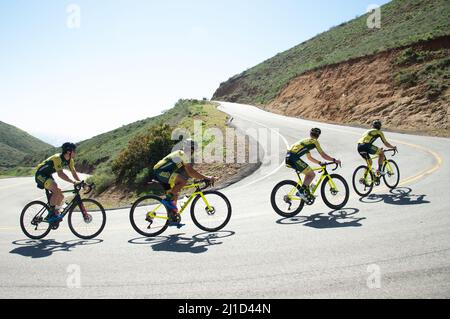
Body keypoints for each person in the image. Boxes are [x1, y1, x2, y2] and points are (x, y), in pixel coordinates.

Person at [153, 139, 215, 222]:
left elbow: (189, 173)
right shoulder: (182, 154)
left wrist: (201, 178)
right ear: (190, 148)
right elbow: (191, 172)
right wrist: (206, 177)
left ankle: (173, 218)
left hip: (164, 172)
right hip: (160, 171)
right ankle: (167, 201)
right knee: (182, 181)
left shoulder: (182, 155)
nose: (193, 153)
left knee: (175, 194)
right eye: (193, 150)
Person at [286, 128, 342, 201]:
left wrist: (319, 162)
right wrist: (334, 160)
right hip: (294, 158)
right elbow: (323, 155)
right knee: (312, 175)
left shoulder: (306, 142)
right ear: (318, 136)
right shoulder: (315, 141)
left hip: (288, 158)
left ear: (310, 134)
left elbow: (309, 157)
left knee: (308, 174)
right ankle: (301, 192)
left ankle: (305, 192)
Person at [34, 142, 82, 223]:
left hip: (48, 175)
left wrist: (80, 182)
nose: (75, 153)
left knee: (61, 196)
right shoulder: (57, 158)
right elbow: (60, 174)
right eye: (74, 151)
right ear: (68, 152)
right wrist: (73, 182)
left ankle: (55, 213)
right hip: (40, 174)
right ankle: (50, 214)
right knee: (55, 189)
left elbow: (74, 173)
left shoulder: (70, 160)